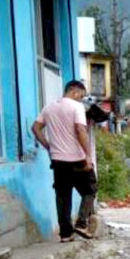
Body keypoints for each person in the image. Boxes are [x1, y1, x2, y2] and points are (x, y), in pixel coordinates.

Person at [31, 80, 97, 243]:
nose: (81, 99)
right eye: (81, 96)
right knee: (90, 190)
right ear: (74, 91)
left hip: (58, 161)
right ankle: (81, 223)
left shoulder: (49, 107)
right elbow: (80, 130)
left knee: (62, 197)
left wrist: (48, 146)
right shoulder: (76, 107)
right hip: (77, 159)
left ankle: (66, 234)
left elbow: (35, 128)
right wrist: (88, 155)